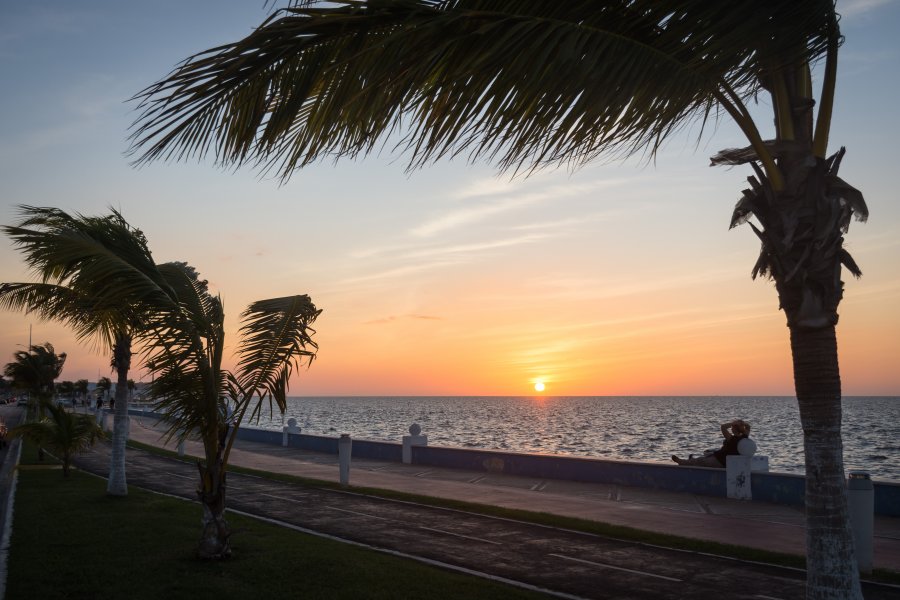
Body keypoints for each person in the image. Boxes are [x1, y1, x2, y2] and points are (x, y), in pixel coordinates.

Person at [671, 419, 751, 468]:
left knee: (700, 461)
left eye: (733, 427)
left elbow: (723, 427)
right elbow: (748, 427)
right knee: (705, 456)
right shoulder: (744, 437)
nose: (732, 428)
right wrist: (741, 424)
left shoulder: (732, 439)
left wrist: (734, 423)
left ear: (734, 429)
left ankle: (681, 462)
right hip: (722, 459)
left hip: (720, 461)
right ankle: (691, 460)